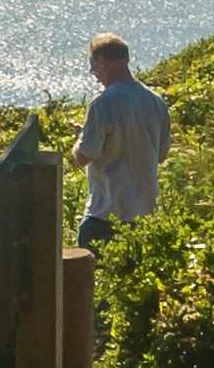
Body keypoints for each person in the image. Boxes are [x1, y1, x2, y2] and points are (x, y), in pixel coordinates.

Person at [71, 33, 171, 244]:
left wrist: (80, 139)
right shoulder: (156, 101)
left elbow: (83, 157)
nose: (94, 73)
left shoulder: (103, 103)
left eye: (93, 65)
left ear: (101, 61)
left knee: (90, 275)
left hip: (105, 215)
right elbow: (161, 156)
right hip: (144, 215)